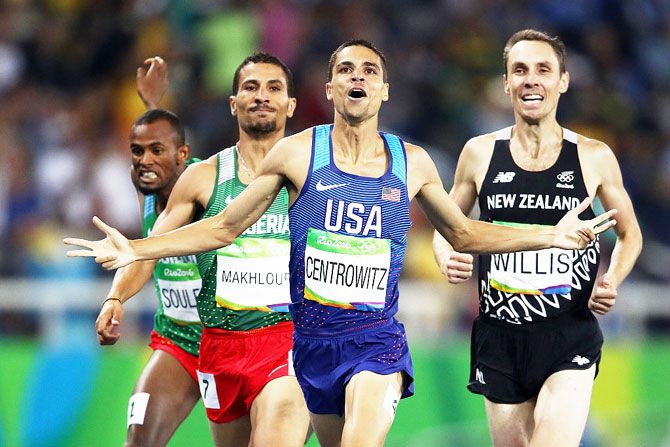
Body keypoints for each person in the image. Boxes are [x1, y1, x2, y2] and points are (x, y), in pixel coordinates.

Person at [65, 39, 617, 447]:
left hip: (374, 341)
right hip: (308, 347)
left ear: (383, 90)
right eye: (345, 69)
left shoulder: (412, 161)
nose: (358, 76)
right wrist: (136, 251)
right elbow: (223, 227)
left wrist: (551, 234)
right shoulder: (298, 154)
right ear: (329, 90)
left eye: (370, 70)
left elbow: (466, 234)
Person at [432, 29, 643, 446]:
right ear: (506, 82)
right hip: (499, 336)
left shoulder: (593, 155)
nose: (531, 79)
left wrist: (610, 281)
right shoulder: (479, 153)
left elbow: (630, 234)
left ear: (562, 81)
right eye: (520, 70)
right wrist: (443, 254)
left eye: (543, 70)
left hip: (569, 334)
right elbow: (448, 223)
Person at [102, 53, 309, 447]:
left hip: (287, 341)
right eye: (250, 87)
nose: (261, 96)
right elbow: (147, 249)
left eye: (273, 88)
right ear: (233, 103)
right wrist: (116, 296)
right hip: (205, 343)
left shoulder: (313, 174)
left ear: (291, 104)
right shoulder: (203, 179)